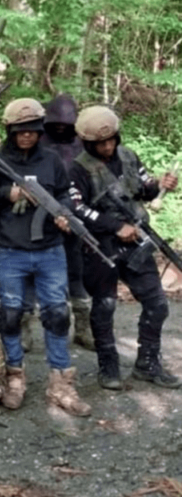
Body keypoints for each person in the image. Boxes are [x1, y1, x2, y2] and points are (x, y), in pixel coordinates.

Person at [0, 98, 90, 417]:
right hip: (10, 251)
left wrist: (62, 214)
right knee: (11, 316)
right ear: (10, 131)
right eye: (20, 131)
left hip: (50, 250)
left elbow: (64, 195)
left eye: (32, 131)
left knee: (57, 314)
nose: (26, 136)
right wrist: (7, 195)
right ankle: (15, 378)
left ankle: (61, 383)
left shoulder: (53, 160)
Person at [69, 105, 180, 390]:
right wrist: (114, 226)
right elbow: (76, 208)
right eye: (100, 143)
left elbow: (145, 189)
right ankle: (109, 367)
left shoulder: (128, 156)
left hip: (137, 242)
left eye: (111, 141)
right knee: (104, 305)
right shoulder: (78, 168)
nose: (107, 147)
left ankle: (147, 363)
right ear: (88, 142)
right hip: (99, 246)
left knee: (157, 303)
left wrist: (161, 185)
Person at [38, 93, 94, 350]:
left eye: (66, 123)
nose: (61, 127)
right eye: (56, 122)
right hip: (39, 215)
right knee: (34, 274)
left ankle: (83, 326)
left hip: (74, 215)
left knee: (77, 272)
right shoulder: (38, 141)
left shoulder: (83, 145)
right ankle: (35, 328)